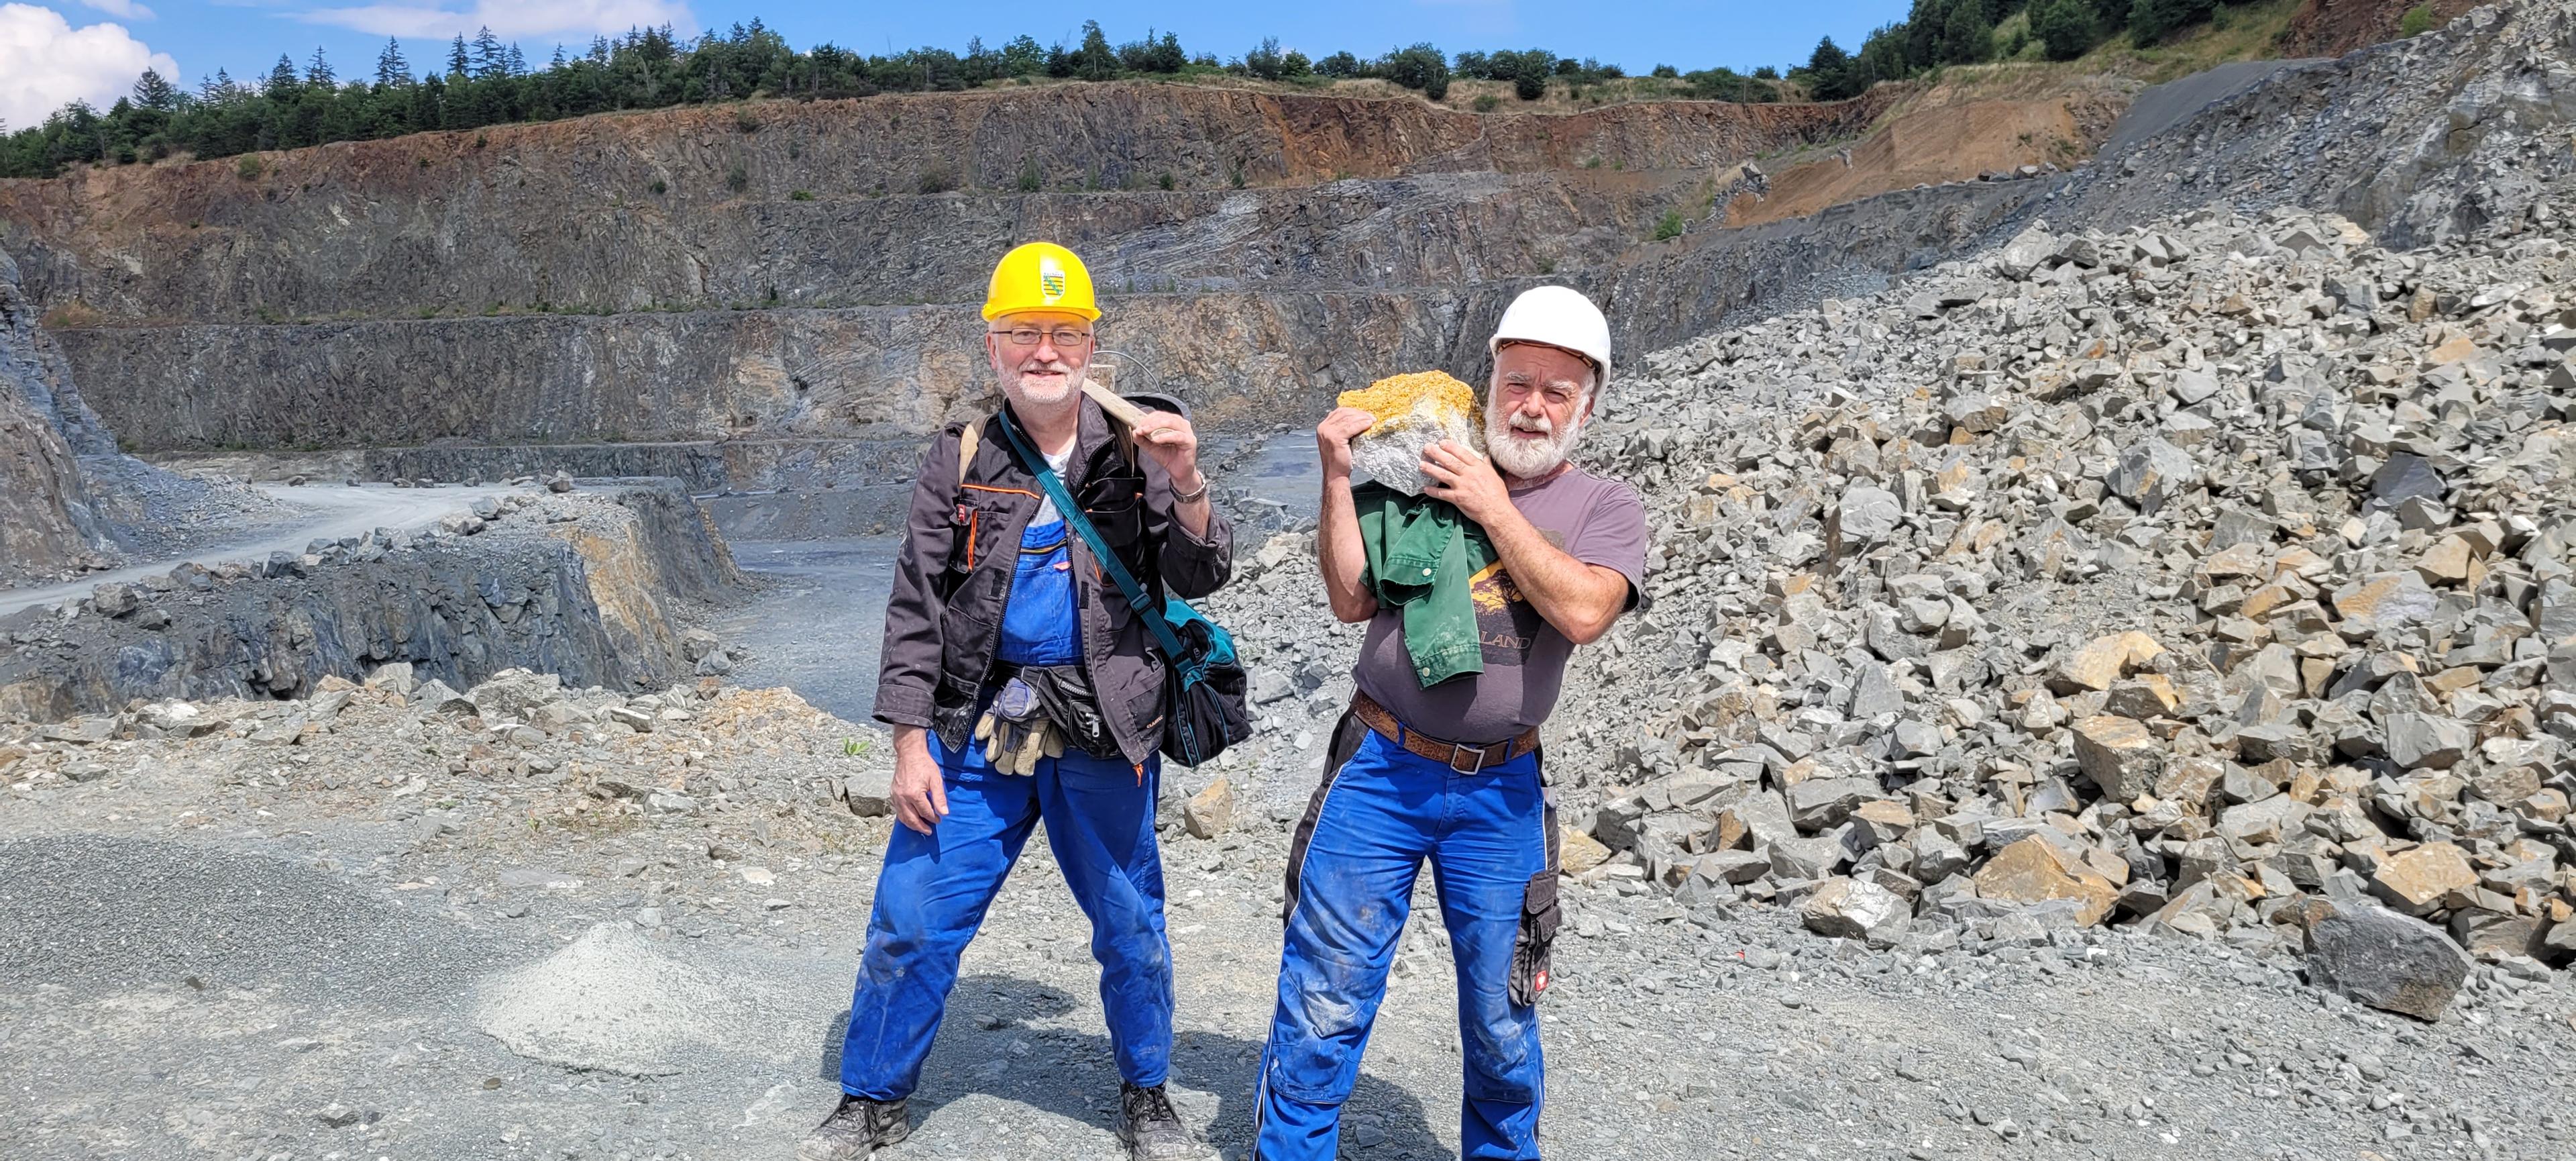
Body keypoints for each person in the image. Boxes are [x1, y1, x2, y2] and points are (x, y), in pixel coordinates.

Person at [800, 242, 1232, 1161]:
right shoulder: (959, 456)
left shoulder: (1139, 444)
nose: (1045, 350)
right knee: (912, 915)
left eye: (1064, 331)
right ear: (991, 345)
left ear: (1091, 345)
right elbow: (916, 601)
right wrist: (909, 743)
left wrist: (1188, 478)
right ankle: (871, 1097)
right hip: (979, 725)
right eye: (1024, 332)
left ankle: (1147, 1094)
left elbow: (1204, 569)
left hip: (1104, 726)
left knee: (1131, 923)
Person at [1255, 286, 1648, 1160]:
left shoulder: (1603, 508)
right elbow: (1351, 596)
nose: (1533, 406)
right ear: (1493, 378)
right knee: (1324, 996)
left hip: (1501, 790)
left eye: (1558, 390)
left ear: (1589, 405)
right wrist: (1333, 474)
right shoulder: (1423, 463)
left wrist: (1492, 505)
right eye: (1519, 382)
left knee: (1504, 1020)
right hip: (1380, 766)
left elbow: (1584, 611)